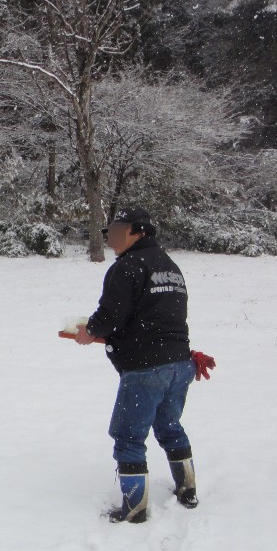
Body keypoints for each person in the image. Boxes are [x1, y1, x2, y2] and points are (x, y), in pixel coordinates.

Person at [75, 206, 198, 523]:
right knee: (170, 427)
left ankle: (135, 508)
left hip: (147, 368)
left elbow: (111, 315)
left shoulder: (127, 267)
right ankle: (188, 489)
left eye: (115, 232)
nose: (110, 239)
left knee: (128, 436)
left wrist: (90, 331)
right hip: (180, 363)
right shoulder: (169, 267)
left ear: (137, 231)